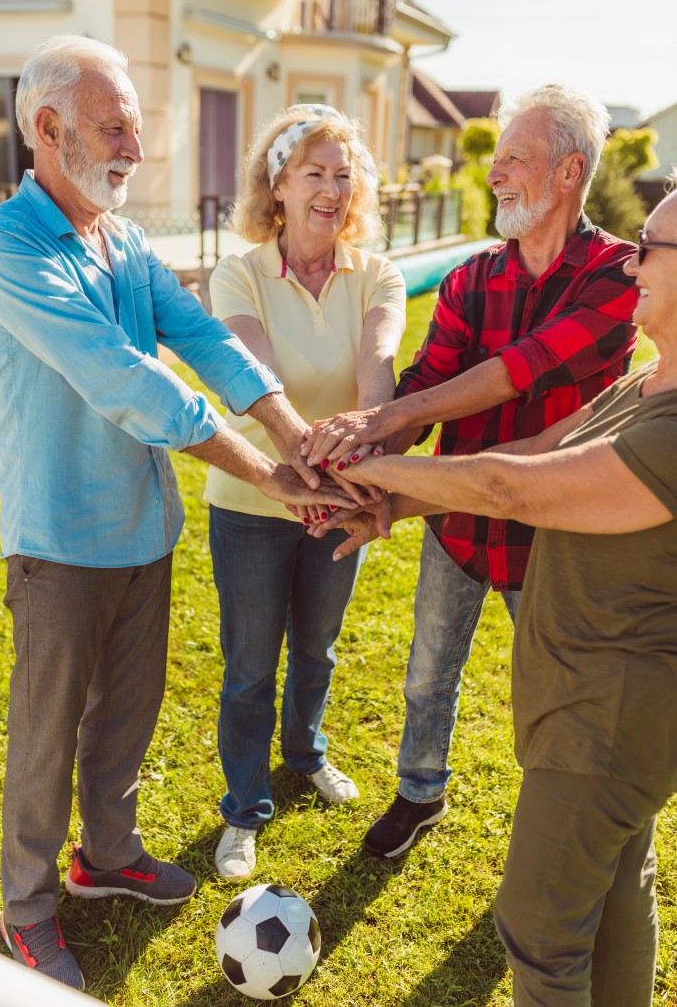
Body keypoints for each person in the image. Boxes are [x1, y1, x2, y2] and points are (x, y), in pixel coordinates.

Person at [0, 37, 354, 990]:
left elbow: (201, 340)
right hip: (58, 542)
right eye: (115, 129)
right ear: (48, 130)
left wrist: (296, 434)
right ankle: (26, 907)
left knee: (126, 718)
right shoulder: (6, 246)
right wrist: (271, 478)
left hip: (145, 532)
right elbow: (129, 383)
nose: (134, 151)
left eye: (137, 130)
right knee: (46, 733)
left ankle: (105, 859)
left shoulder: (124, 241)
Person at [324, 185, 677, 1007]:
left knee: (539, 926)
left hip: (610, 714)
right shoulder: (644, 384)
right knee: (619, 893)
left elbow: (511, 489)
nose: (631, 260)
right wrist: (394, 504)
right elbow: (529, 453)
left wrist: (361, 466)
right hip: (585, 700)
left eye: (651, 246)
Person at [303, 84, 638, 859]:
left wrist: (380, 429)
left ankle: (561, 824)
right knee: (427, 675)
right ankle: (420, 791)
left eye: (514, 157)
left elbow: (521, 370)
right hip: (457, 524)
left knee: (558, 697)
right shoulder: (470, 279)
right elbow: (426, 384)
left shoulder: (615, 275)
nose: (494, 173)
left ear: (568, 172)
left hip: (556, 536)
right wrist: (363, 466)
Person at [204, 104, 406, 881]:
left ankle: (305, 753)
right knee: (251, 661)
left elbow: (377, 359)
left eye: (343, 174)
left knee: (316, 647)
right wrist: (310, 463)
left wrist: (371, 446)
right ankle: (245, 807)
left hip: (340, 501)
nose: (332, 188)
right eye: (314, 172)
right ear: (278, 185)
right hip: (256, 500)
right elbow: (256, 378)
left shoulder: (375, 272)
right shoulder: (240, 272)